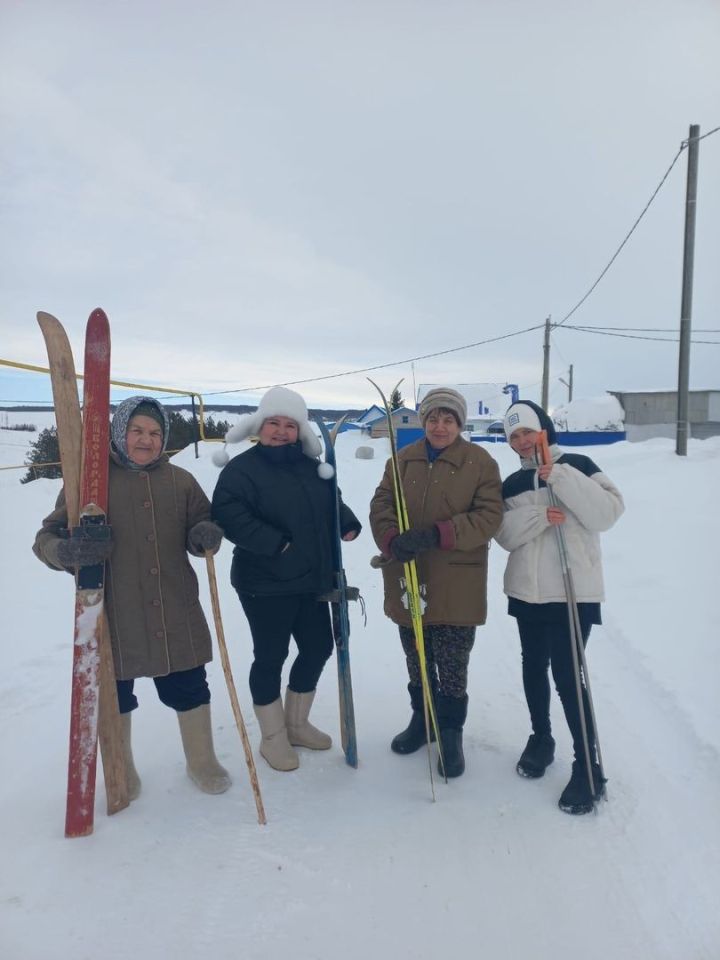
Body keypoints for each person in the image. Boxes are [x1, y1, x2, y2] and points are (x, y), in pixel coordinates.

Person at [33, 396, 231, 798]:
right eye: (137, 431)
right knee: (116, 692)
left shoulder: (180, 481)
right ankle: (122, 767)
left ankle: (202, 760)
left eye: (156, 433)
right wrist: (65, 552)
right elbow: (46, 538)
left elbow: (203, 521)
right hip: (112, 615)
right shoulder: (88, 482)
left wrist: (206, 534)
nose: (147, 440)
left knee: (190, 685)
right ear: (118, 433)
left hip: (174, 609)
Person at [211, 386, 362, 772]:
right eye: (273, 423)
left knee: (317, 647)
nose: (281, 431)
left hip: (310, 580)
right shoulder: (241, 470)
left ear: (300, 431)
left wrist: (345, 521)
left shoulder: (314, 468)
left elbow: (333, 500)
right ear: (260, 426)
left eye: (289, 425)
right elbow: (228, 514)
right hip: (264, 582)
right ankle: (273, 737)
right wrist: (276, 545)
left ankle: (296, 724)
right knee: (271, 656)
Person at [495, 400, 624, 814]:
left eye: (526, 432)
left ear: (544, 430)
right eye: (513, 435)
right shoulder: (513, 482)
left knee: (569, 673)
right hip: (527, 591)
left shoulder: (579, 463)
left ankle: (587, 764)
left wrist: (563, 477)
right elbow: (503, 533)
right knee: (533, 664)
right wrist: (536, 517)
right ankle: (541, 738)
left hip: (573, 591)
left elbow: (607, 513)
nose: (520, 441)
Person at [369, 387, 503, 777]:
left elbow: (489, 516)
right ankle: (421, 719)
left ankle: (450, 731)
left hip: (456, 577)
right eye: (432, 418)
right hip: (409, 572)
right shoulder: (402, 460)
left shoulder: (480, 462)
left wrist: (438, 534)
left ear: (459, 424)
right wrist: (392, 538)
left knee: (452, 660)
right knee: (416, 655)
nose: (439, 426)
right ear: (423, 421)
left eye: (448, 419)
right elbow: (381, 503)